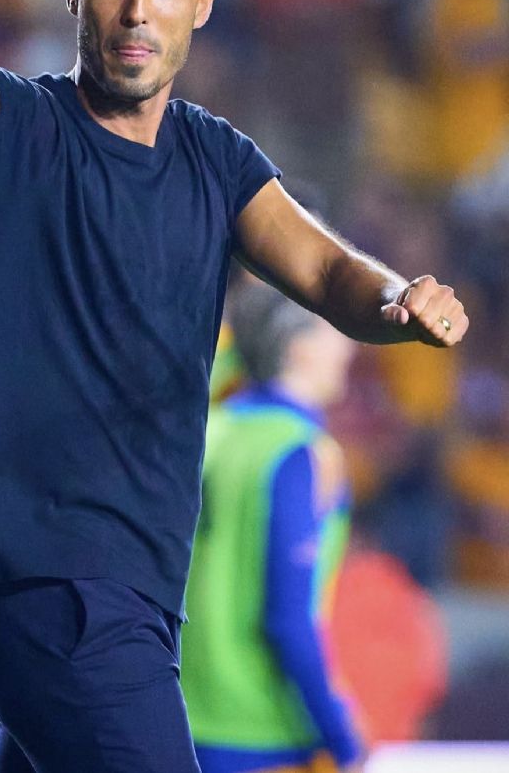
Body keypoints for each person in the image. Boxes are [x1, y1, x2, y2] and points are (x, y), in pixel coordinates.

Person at [0, 0, 468, 773]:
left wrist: (398, 299)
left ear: (201, 3)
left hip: (132, 598)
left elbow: (324, 269)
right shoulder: (19, 132)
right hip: (61, 596)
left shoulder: (216, 158)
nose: (136, 9)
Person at [181, 283, 363, 773]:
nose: (348, 346)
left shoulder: (208, 433)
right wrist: (342, 738)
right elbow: (288, 618)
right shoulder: (298, 452)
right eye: (334, 331)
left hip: (180, 717)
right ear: (298, 346)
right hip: (263, 731)